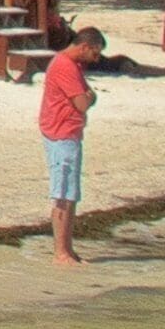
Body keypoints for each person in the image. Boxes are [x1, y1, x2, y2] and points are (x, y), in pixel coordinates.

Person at [41, 26, 100, 265]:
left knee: (71, 193)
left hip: (68, 132)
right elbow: (83, 102)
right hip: (61, 133)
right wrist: (90, 97)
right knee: (63, 193)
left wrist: (88, 96)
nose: (96, 60)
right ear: (84, 47)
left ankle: (67, 249)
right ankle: (60, 252)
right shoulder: (65, 66)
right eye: (95, 54)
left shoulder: (72, 66)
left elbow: (86, 96)